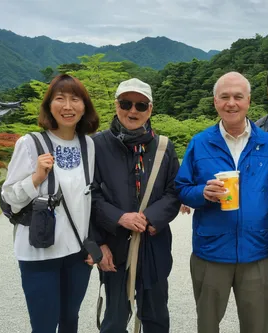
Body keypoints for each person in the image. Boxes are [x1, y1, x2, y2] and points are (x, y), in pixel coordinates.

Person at [175, 72, 268, 333]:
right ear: (215, 101)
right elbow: (181, 188)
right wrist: (202, 192)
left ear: (248, 101)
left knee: (257, 326)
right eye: (225, 97)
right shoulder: (200, 143)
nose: (231, 103)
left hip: (256, 252)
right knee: (208, 325)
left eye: (238, 97)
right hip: (210, 252)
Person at [2, 74, 100, 333]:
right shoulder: (30, 143)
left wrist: (93, 243)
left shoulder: (88, 144)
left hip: (77, 254)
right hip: (39, 254)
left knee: (70, 321)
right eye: (60, 99)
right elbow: (10, 199)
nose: (68, 106)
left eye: (75, 99)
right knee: (44, 326)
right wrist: (36, 178)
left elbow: (90, 199)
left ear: (84, 107)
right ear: (49, 106)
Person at [91, 78, 180, 333]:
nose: (133, 111)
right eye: (126, 103)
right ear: (116, 105)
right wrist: (109, 231)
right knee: (115, 319)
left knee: (156, 316)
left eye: (140, 105)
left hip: (154, 243)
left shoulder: (163, 146)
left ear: (150, 109)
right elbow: (90, 195)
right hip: (115, 244)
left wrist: (150, 218)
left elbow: (175, 191)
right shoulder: (97, 145)